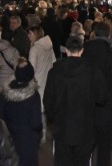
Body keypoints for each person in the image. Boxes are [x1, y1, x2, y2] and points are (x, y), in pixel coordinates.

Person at [44, 35, 106, 166]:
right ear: (82, 50)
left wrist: (53, 118)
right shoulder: (93, 70)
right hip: (85, 127)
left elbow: (48, 101)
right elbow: (102, 98)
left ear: (66, 50)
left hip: (61, 127)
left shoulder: (54, 71)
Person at [82, 21, 112, 166]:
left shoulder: (84, 52)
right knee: (104, 148)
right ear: (108, 34)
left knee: (86, 146)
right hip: (107, 106)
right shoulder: (111, 56)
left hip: (87, 105)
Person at [0, 59, 43, 166]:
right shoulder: (34, 96)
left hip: (9, 141)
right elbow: (36, 123)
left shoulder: (5, 95)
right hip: (28, 142)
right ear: (31, 75)